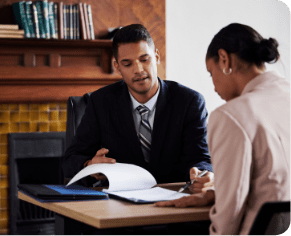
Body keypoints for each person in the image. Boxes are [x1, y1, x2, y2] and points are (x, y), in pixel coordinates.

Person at [155, 23, 291, 235]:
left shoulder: (230, 115)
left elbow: (230, 213)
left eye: (211, 73)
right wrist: (215, 194)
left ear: (225, 59)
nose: (214, 86)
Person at [62, 24, 213, 191]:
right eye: (127, 64)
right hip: (119, 204)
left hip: (175, 198)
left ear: (156, 57)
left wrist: (203, 174)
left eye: (144, 59)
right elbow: (70, 160)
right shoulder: (100, 102)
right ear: (117, 66)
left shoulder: (189, 102)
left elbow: (201, 158)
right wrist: (89, 164)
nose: (139, 70)